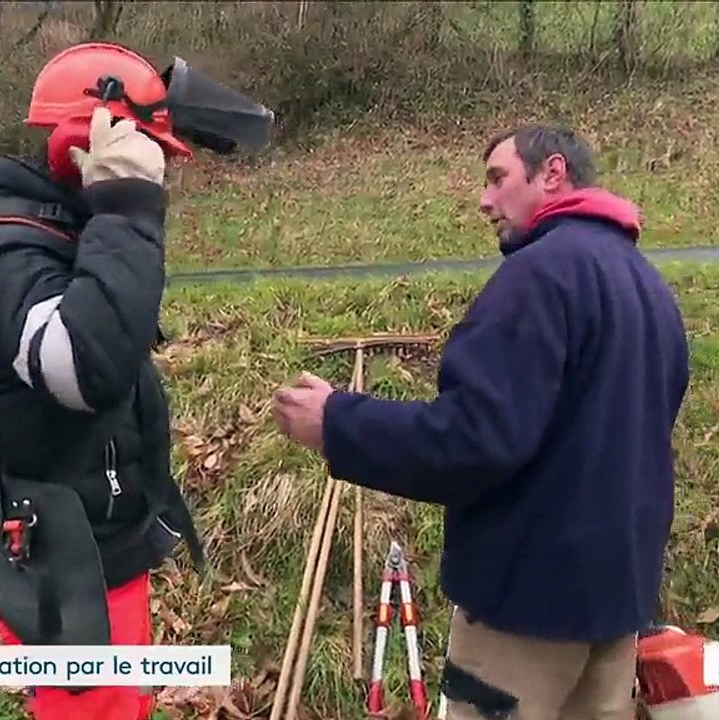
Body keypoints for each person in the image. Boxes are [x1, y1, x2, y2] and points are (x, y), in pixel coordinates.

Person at [272, 124, 691, 720]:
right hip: (616, 600)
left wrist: (338, 423)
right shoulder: (647, 285)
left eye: (498, 180)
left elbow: (474, 440)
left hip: (525, 609)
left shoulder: (538, 277)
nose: (484, 200)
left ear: (551, 173)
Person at [0, 43, 210, 720]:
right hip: (67, 557)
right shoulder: (2, 252)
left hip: (98, 537)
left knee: (120, 705)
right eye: (149, 154)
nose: (160, 174)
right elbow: (87, 368)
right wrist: (129, 210)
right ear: (93, 147)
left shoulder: (68, 232)